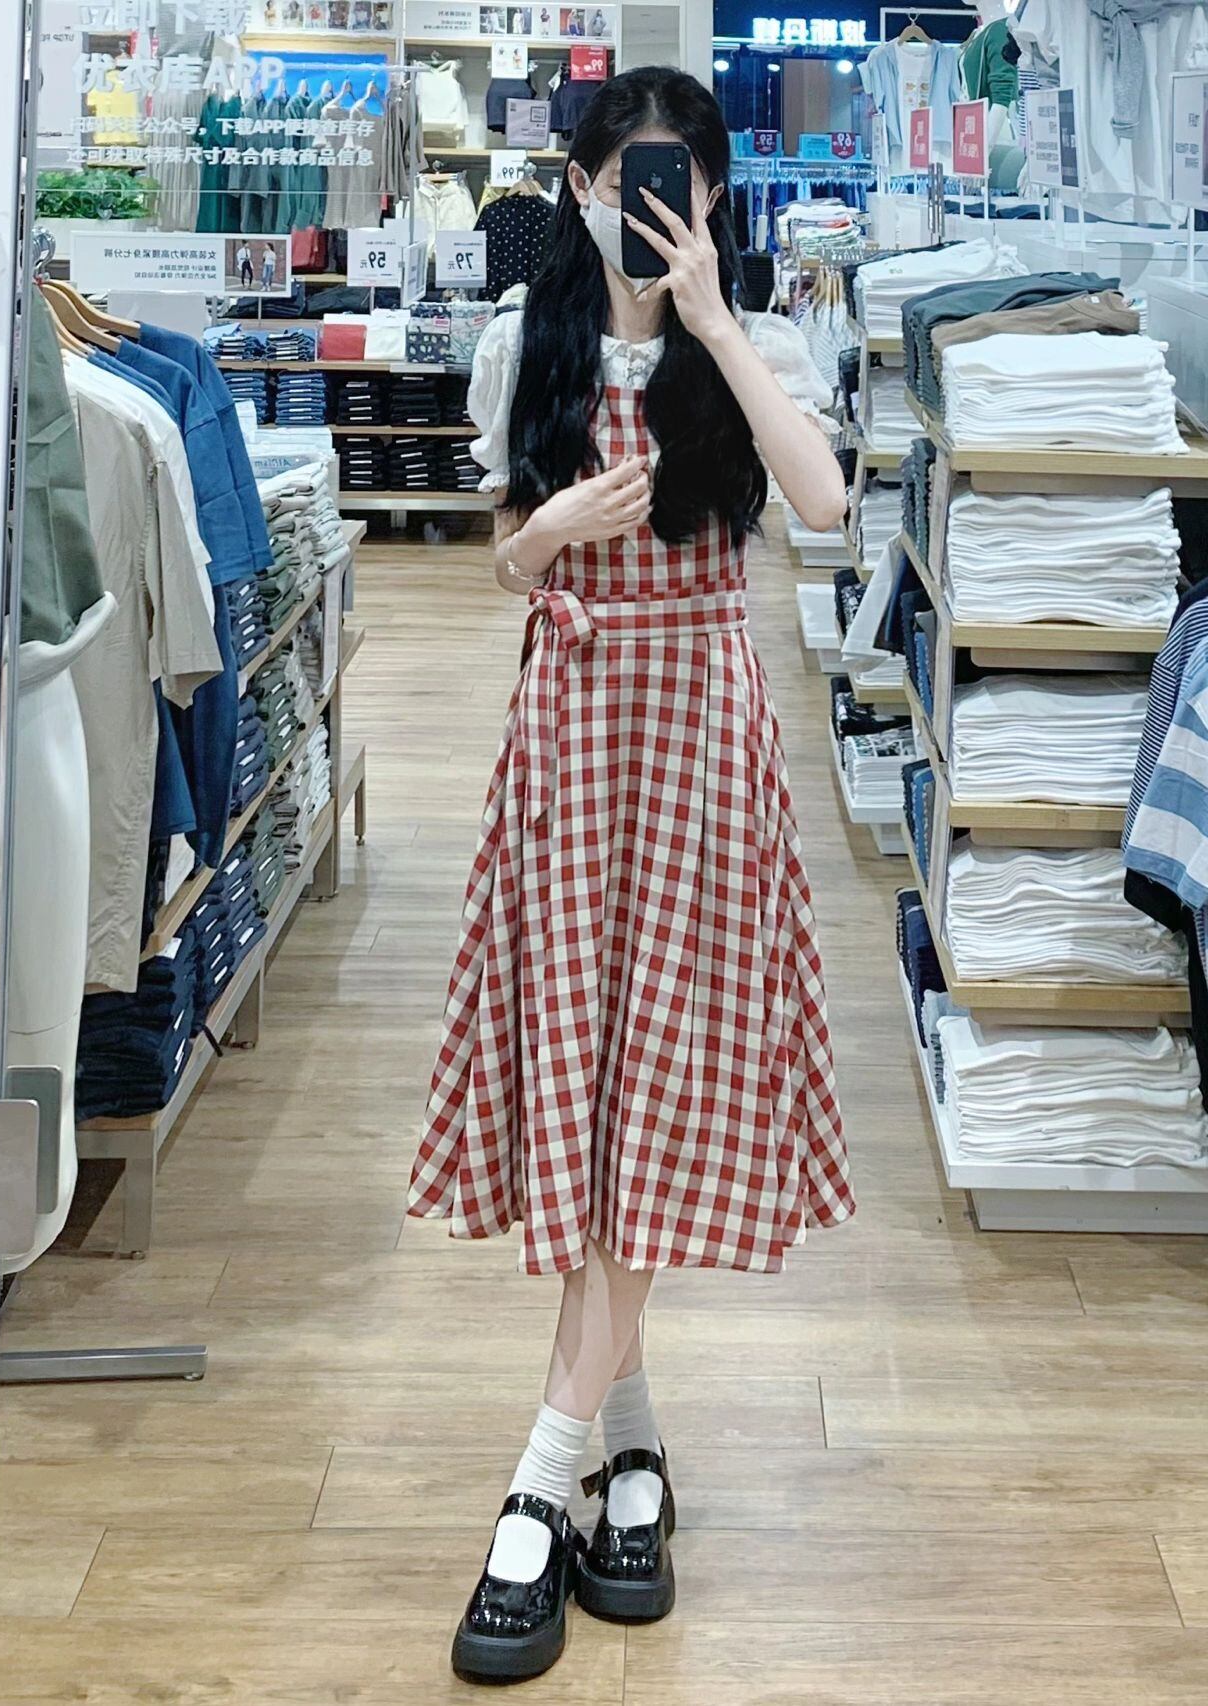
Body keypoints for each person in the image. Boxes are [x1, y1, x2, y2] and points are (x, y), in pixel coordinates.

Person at [407, 66, 854, 1686]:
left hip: (701, 743)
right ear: (582, 186)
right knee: (590, 1094)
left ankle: (542, 1484)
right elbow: (504, 559)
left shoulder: (746, 346)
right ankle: (637, 1454)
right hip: (574, 734)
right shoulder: (524, 343)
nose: (646, 199)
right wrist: (556, 535)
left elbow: (826, 503)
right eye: (621, 176)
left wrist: (717, 319)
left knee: (653, 1096)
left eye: (679, 177)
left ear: (712, 194)